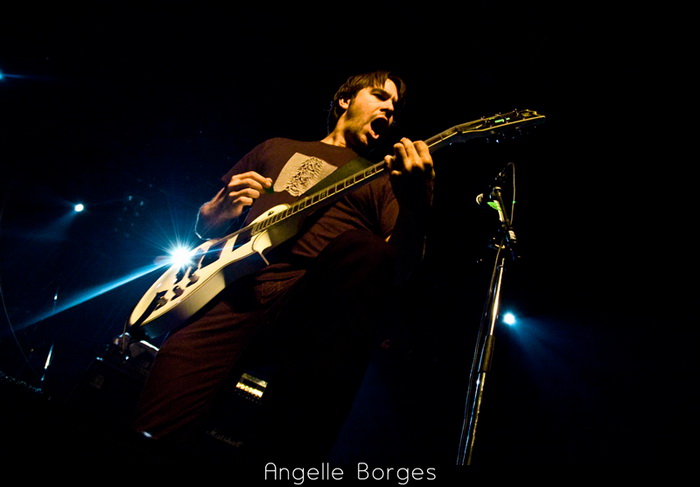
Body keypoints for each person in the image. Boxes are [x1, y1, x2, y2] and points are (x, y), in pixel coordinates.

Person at [130, 70, 435, 464]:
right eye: (380, 96)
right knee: (153, 430)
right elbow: (204, 226)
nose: (390, 109)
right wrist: (220, 208)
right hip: (228, 292)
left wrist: (418, 206)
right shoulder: (275, 147)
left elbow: (401, 266)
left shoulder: (383, 179)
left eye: (395, 107)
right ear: (345, 100)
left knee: (366, 250)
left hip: (309, 301)